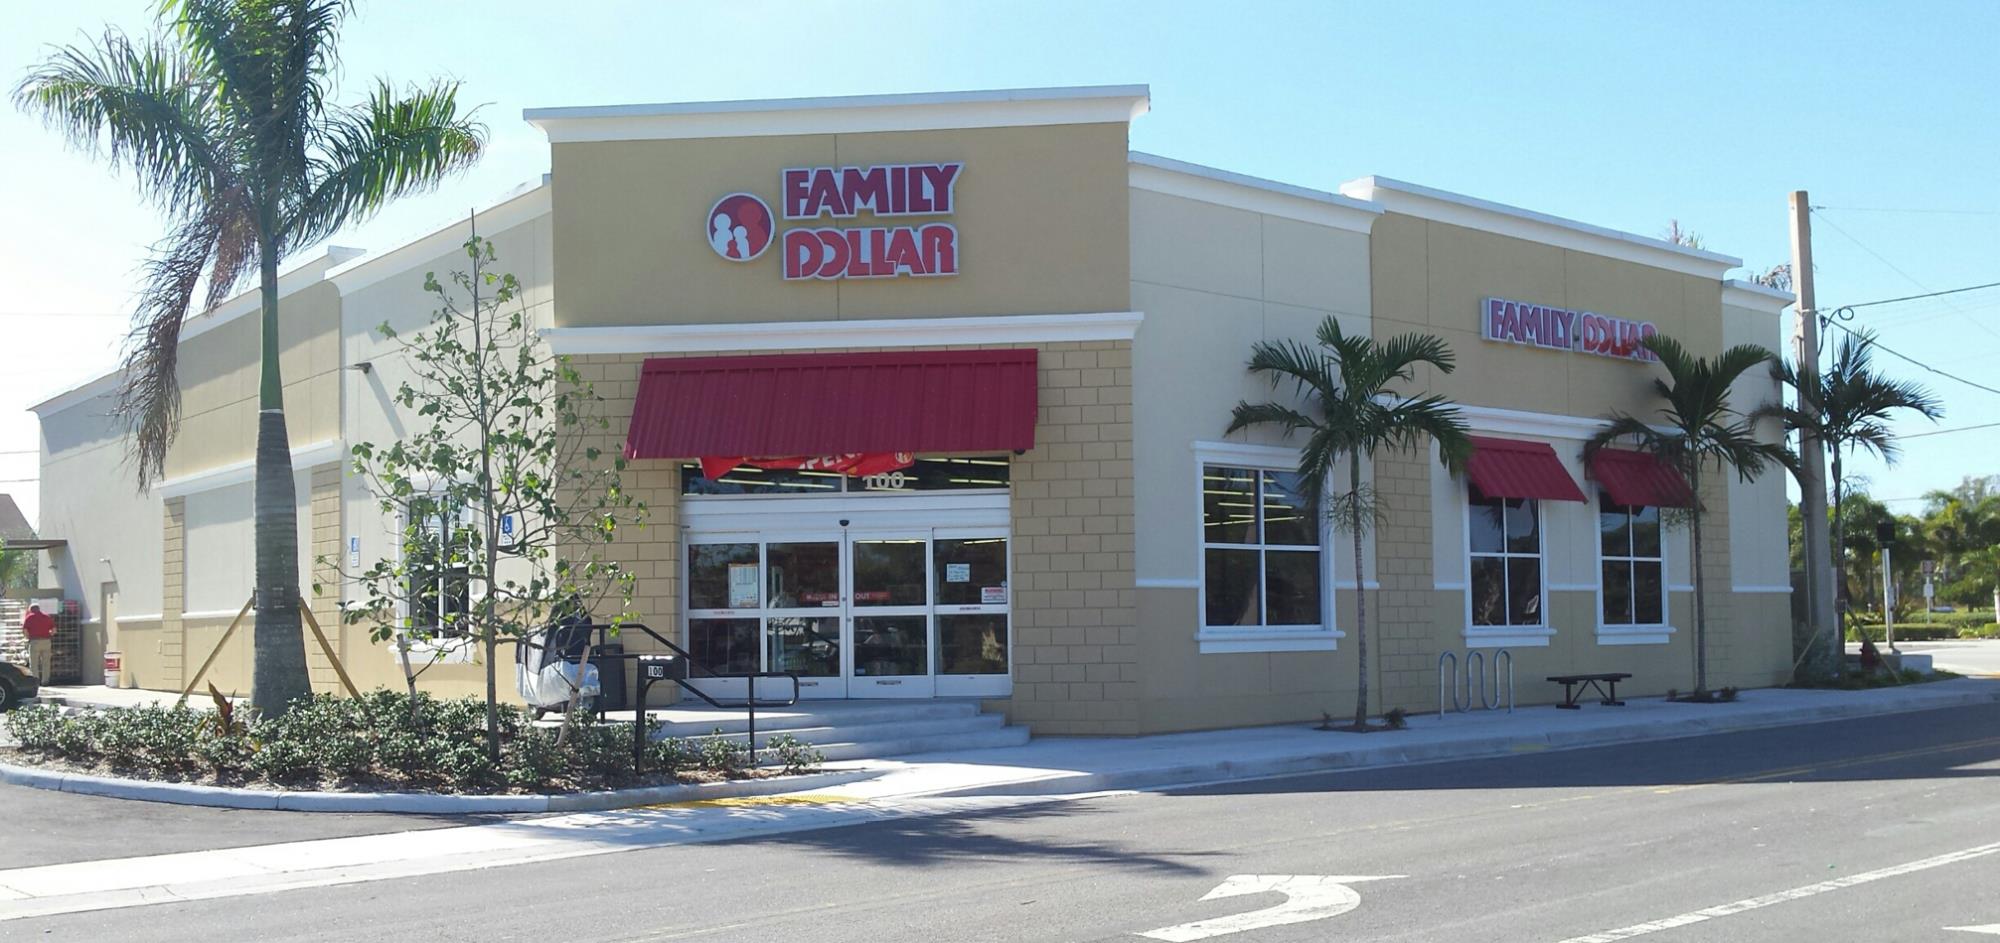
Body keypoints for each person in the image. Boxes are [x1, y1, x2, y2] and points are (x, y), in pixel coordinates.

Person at [20, 603, 55, 684]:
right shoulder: (47, 617)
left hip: (34, 641)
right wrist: (49, 635)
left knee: (34, 663)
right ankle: (45, 681)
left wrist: (28, 637)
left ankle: (35, 682)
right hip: (46, 641)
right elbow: (54, 630)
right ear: (39, 609)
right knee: (46, 663)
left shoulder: (29, 617)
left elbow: (25, 630)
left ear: (31, 609)